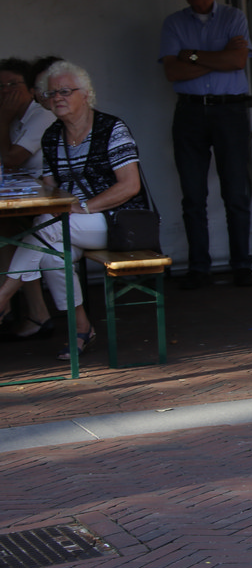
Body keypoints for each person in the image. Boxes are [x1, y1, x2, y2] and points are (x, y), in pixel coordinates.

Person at [0, 62, 150, 360]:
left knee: (47, 227)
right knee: (53, 253)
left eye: (66, 91)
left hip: (118, 220)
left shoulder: (112, 128)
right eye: (52, 93)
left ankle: (3, 295)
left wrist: (84, 207)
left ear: (86, 94)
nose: (58, 97)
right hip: (71, 223)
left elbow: (130, 186)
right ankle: (81, 327)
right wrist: (54, 202)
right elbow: (50, 187)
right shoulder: (52, 136)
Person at [159, 0, 252, 289]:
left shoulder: (233, 17)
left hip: (230, 110)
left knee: (236, 192)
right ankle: (199, 267)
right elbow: (173, 72)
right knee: (193, 194)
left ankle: (241, 264)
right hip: (190, 111)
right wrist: (218, 58)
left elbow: (237, 61)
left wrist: (193, 56)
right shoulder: (174, 23)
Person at [0, 57, 58, 338]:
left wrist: (2, 120)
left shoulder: (40, 116)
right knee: (5, 229)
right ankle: (27, 311)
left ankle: (13, 307)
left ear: (31, 89)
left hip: (50, 200)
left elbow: (11, 159)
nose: (6, 91)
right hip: (24, 198)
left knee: (15, 234)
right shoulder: (12, 117)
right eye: (0, 86)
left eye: (13, 84)